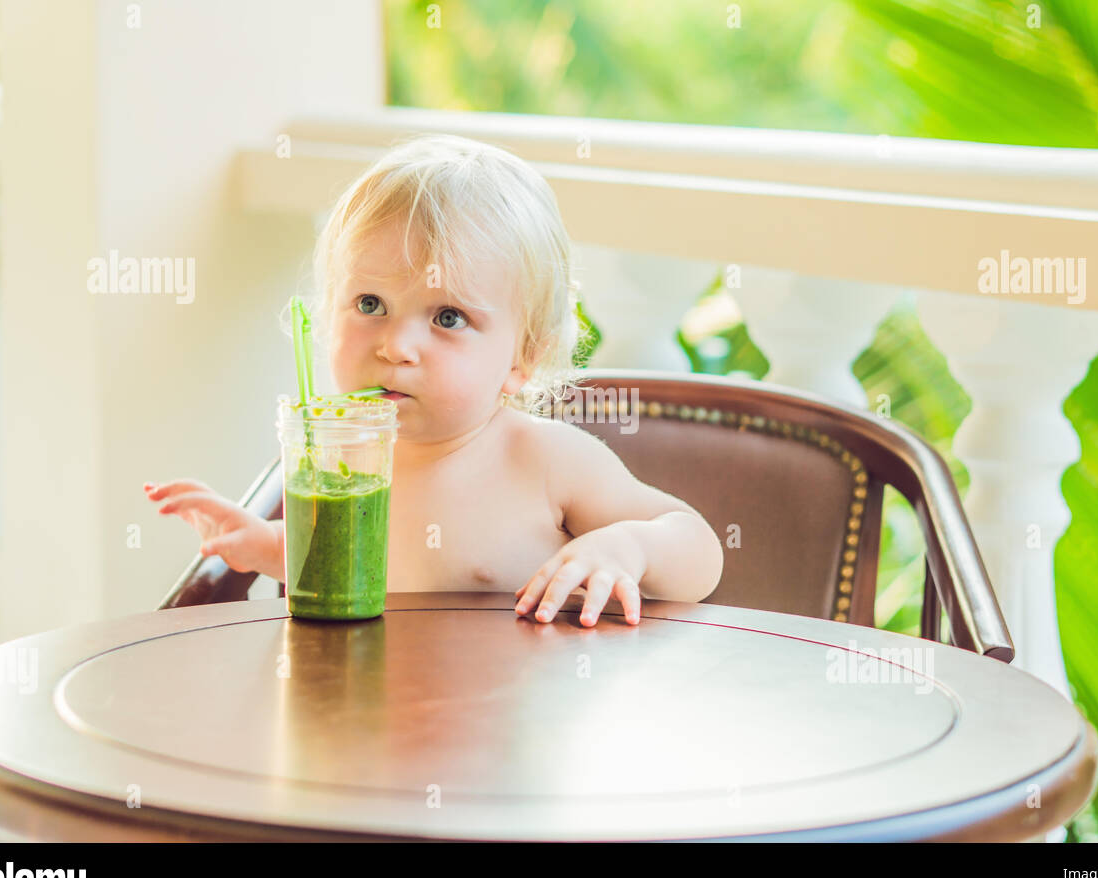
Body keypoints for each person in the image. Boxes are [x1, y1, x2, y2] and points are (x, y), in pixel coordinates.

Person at [145, 133, 723, 628]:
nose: (396, 345)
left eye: (448, 317)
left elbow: (698, 548)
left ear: (523, 357)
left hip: (498, 749)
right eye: (370, 303)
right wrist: (263, 545)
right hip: (360, 740)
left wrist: (630, 547)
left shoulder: (543, 460)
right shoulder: (339, 461)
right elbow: (342, 564)